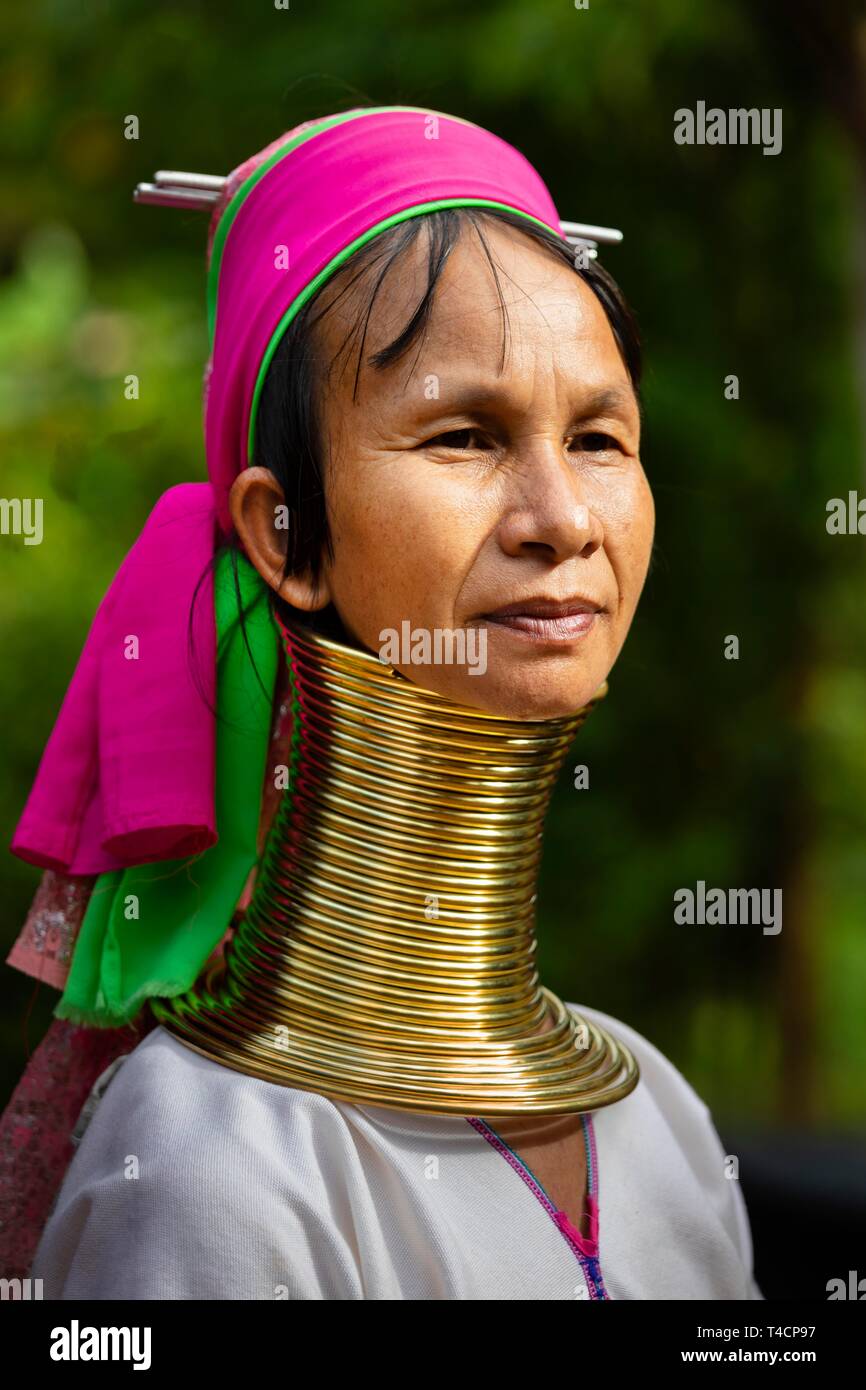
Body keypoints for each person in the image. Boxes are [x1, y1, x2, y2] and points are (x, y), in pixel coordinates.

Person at [3, 104, 763, 1299]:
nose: (562, 519)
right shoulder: (211, 1168)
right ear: (284, 535)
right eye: (464, 434)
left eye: (601, 438)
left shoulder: (653, 1112)